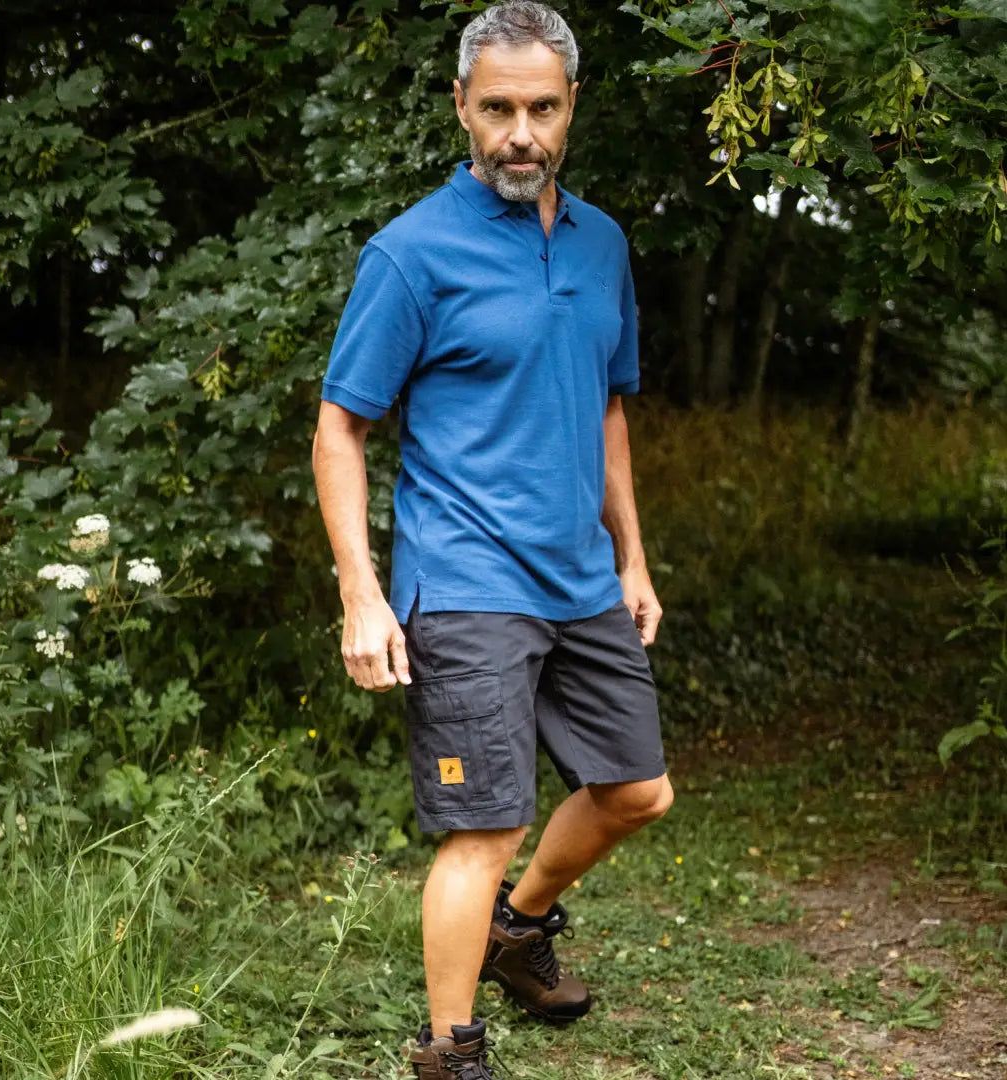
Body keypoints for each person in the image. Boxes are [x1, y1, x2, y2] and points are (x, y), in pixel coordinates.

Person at [311, 2, 672, 1075]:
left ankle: (518, 929)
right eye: (500, 108)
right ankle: (447, 1049)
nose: (522, 132)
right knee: (484, 822)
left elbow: (608, 406)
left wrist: (633, 556)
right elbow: (340, 429)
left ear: (571, 109)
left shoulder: (602, 243)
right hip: (466, 578)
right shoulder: (412, 254)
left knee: (635, 790)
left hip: (578, 574)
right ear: (463, 107)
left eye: (543, 108)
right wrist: (362, 595)